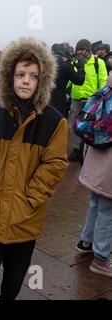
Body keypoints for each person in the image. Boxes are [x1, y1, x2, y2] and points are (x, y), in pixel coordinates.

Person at [0, 38, 69, 300]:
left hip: (26, 216)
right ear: (9, 76)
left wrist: (31, 197)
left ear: (41, 81)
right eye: (20, 74)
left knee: (15, 275)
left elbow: (55, 164)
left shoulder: (55, 122)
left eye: (33, 76)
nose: (26, 81)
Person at [76, 72, 112, 278]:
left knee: (97, 201)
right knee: (108, 210)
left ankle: (86, 241)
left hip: (98, 155)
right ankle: (101, 258)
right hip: (109, 163)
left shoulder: (107, 87)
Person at [68, 39, 108, 162]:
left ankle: (89, 151)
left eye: (82, 49)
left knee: (91, 126)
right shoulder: (74, 62)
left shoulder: (98, 62)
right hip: (76, 98)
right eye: (78, 49)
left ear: (88, 50)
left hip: (92, 100)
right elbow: (70, 80)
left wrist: (101, 98)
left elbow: (103, 81)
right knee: (76, 126)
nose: (79, 52)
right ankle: (76, 150)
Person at [50, 43, 85, 118]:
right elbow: (79, 81)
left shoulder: (43, 64)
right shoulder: (65, 65)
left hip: (44, 99)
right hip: (59, 101)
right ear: (63, 53)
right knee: (58, 123)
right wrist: (81, 68)